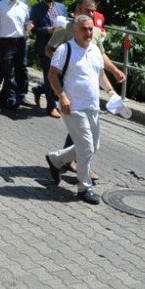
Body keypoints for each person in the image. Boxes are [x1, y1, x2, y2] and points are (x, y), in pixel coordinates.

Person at [44, 15, 116, 205]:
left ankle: (55, 159)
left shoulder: (94, 50)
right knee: (86, 147)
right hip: (73, 105)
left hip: (92, 105)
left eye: (91, 29)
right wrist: (62, 96)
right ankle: (84, 187)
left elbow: (100, 74)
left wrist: (110, 91)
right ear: (74, 31)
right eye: (84, 29)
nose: (88, 33)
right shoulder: (65, 49)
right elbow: (52, 75)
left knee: (93, 146)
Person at [0, 0, 34, 114]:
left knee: (21, 71)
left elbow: (26, 25)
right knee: (9, 73)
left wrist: (29, 29)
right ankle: (12, 99)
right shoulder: (0, 6)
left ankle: (8, 98)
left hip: (20, 42)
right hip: (6, 42)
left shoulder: (24, 6)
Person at [30, 0, 69, 117]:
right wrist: (48, 30)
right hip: (45, 47)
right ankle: (51, 106)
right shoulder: (36, 9)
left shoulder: (62, 7)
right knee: (49, 76)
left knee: (61, 76)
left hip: (61, 48)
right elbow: (34, 30)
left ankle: (39, 90)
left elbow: (68, 25)